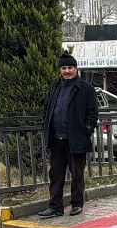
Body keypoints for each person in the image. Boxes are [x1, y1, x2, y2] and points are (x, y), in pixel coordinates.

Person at [39, 53, 99, 217]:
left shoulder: (85, 88)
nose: (67, 71)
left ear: (76, 69)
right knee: (55, 175)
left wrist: (86, 129)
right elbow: (47, 108)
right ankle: (55, 207)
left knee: (77, 174)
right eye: (64, 68)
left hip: (76, 139)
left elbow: (93, 113)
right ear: (60, 69)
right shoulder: (55, 86)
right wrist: (45, 124)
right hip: (56, 138)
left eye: (70, 67)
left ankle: (77, 204)